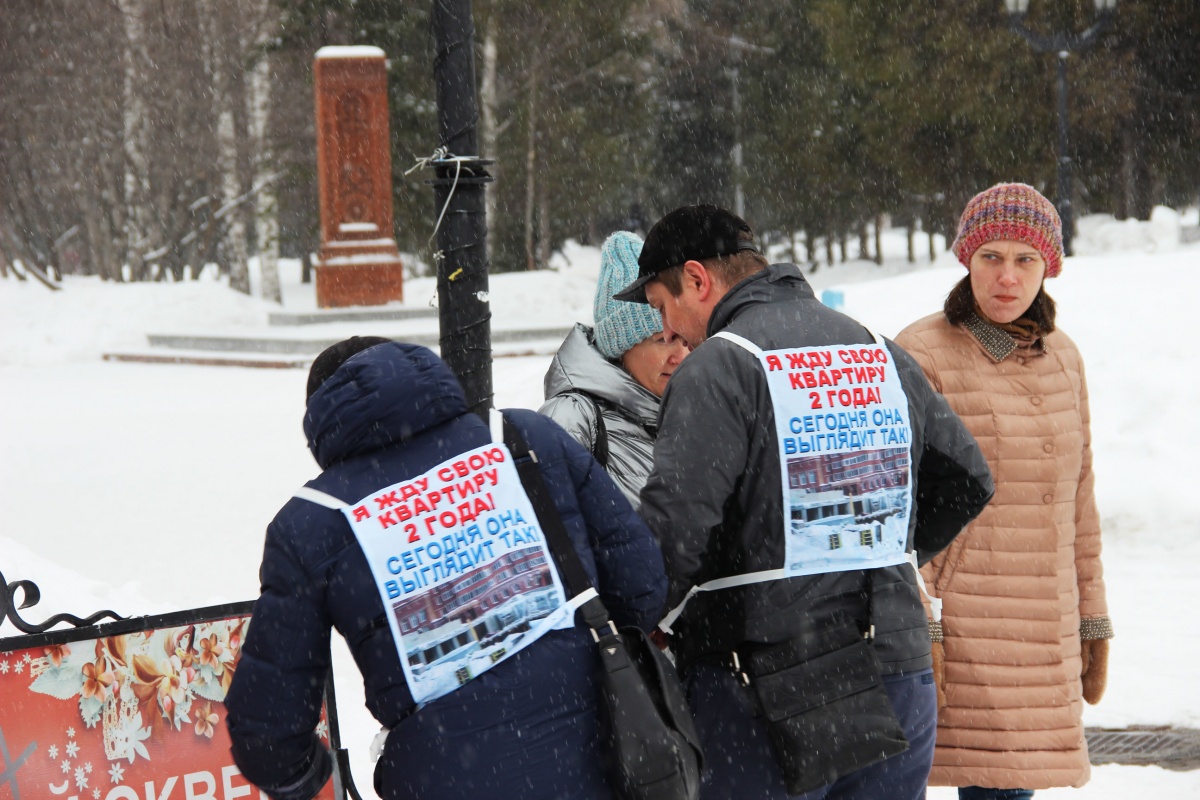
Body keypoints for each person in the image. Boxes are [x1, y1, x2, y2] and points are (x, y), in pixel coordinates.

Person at [613, 204, 995, 800]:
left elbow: (675, 530)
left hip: (764, 685)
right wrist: (876, 547)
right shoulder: (876, 349)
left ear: (696, 279)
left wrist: (628, 628)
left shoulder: (719, 367)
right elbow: (969, 479)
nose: (670, 332)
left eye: (664, 308)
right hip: (897, 669)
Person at [225, 337, 667, 800]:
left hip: (441, 774)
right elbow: (641, 584)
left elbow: (268, 733)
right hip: (597, 751)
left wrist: (315, 779)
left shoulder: (311, 523)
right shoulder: (524, 437)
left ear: (323, 420)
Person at [894, 183, 1112, 800]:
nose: (1008, 278)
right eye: (992, 257)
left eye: (1026, 260)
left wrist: (1091, 613)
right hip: (968, 624)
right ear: (967, 260)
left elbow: (1080, 498)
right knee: (989, 786)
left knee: (1014, 788)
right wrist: (922, 619)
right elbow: (903, 501)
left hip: (1046, 626)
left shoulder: (1064, 356)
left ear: (1051, 267)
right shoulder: (923, 351)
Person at [540, 230, 689, 508]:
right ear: (620, 347)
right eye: (662, 340)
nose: (680, 355)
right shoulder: (573, 420)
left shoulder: (699, 410)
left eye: (685, 338)